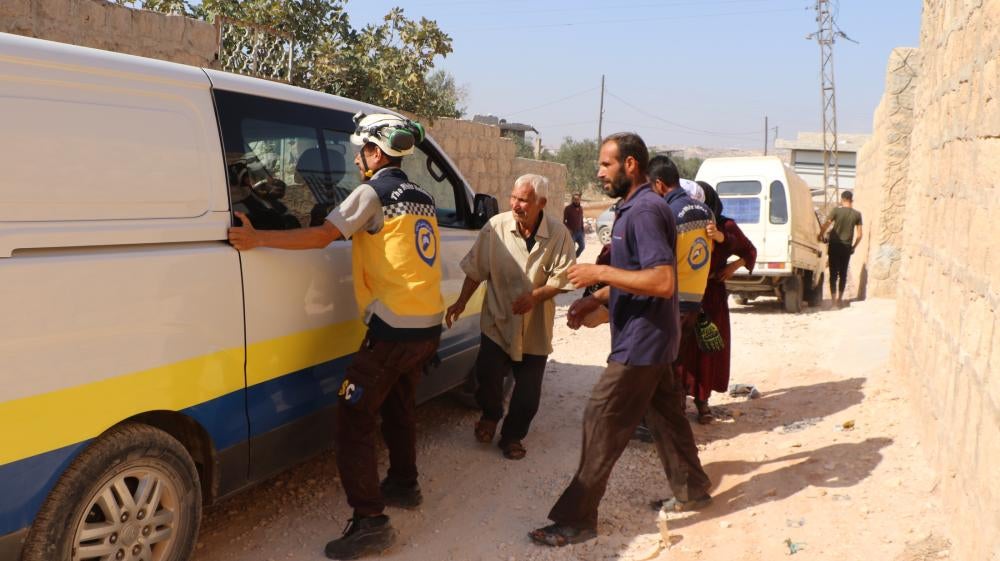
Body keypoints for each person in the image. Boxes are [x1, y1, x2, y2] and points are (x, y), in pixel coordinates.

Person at [228, 112, 442, 560]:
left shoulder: (372, 192)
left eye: (361, 150)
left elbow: (325, 234)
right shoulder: (421, 195)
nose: (357, 159)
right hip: (426, 325)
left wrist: (257, 240)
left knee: (353, 417)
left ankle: (370, 522)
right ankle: (405, 485)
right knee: (400, 405)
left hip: (392, 328)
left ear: (376, 152)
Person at [528, 133, 712, 548]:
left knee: (600, 419)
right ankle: (694, 489)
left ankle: (577, 520)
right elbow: (635, 275)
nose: (599, 172)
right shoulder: (635, 208)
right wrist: (593, 298)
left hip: (643, 341)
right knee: (667, 417)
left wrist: (600, 274)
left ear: (630, 165)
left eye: (606, 165)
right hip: (653, 338)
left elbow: (662, 281)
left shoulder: (645, 211)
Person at [445, 174, 576, 460]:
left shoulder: (558, 234)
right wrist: (460, 302)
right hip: (498, 318)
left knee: (528, 394)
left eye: (524, 200)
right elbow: (476, 269)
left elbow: (563, 277)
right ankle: (491, 416)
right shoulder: (495, 227)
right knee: (487, 377)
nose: (516, 205)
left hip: (535, 327)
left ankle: (513, 436)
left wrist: (536, 296)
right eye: (513, 198)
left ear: (541, 203)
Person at [681, 182, 757, 423]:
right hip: (685, 294)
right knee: (681, 349)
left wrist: (733, 265)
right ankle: (678, 402)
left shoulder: (725, 225)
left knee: (706, 348)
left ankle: (703, 402)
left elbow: (749, 251)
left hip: (712, 297)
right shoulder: (686, 222)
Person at [818, 190, 863, 307]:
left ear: (842, 200)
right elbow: (859, 235)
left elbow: (826, 224)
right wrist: (853, 247)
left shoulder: (836, 211)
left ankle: (833, 301)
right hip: (846, 247)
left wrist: (820, 235)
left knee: (833, 274)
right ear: (851, 200)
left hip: (834, 245)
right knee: (843, 274)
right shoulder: (857, 215)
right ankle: (839, 299)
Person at [563, 192, 586, 257]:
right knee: (571, 249)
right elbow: (564, 221)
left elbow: (581, 220)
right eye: (575, 199)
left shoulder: (581, 208)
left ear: (580, 200)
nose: (576, 201)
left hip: (580, 232)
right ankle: (571, 260)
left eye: (578, 199)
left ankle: (575, 257)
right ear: (572, 200)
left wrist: (583, 231)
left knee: (582, 246)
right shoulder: (568, 208)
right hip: (572, 232)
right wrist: (568, 229)